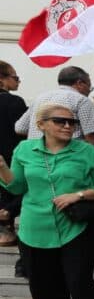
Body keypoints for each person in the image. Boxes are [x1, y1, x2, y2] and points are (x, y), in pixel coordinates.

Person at [0, 103, 94, 299]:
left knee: (79, 281)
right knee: (43, 285)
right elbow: (17, 188)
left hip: (76, 227)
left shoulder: (87, 151)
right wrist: (3, 169)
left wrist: (78, 194)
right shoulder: (25, 149)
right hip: (34, 229)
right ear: (40, 125)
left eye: (71, 122)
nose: (67, 126)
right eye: (60, 121)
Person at [14, 66, 94, 144]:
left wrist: (40, 133)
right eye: (89, 86)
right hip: (68, 156)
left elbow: (20, 128)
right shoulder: (82, 100)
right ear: (80, 83)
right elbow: (91, 136)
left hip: (35, 155)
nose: (89, 91)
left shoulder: (40, 98)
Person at [0, 61, 26, 248]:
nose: (18, 81)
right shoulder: (13, 102)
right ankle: (6, 226)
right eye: (15, 77)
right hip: (9, 160)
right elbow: (24, 131)